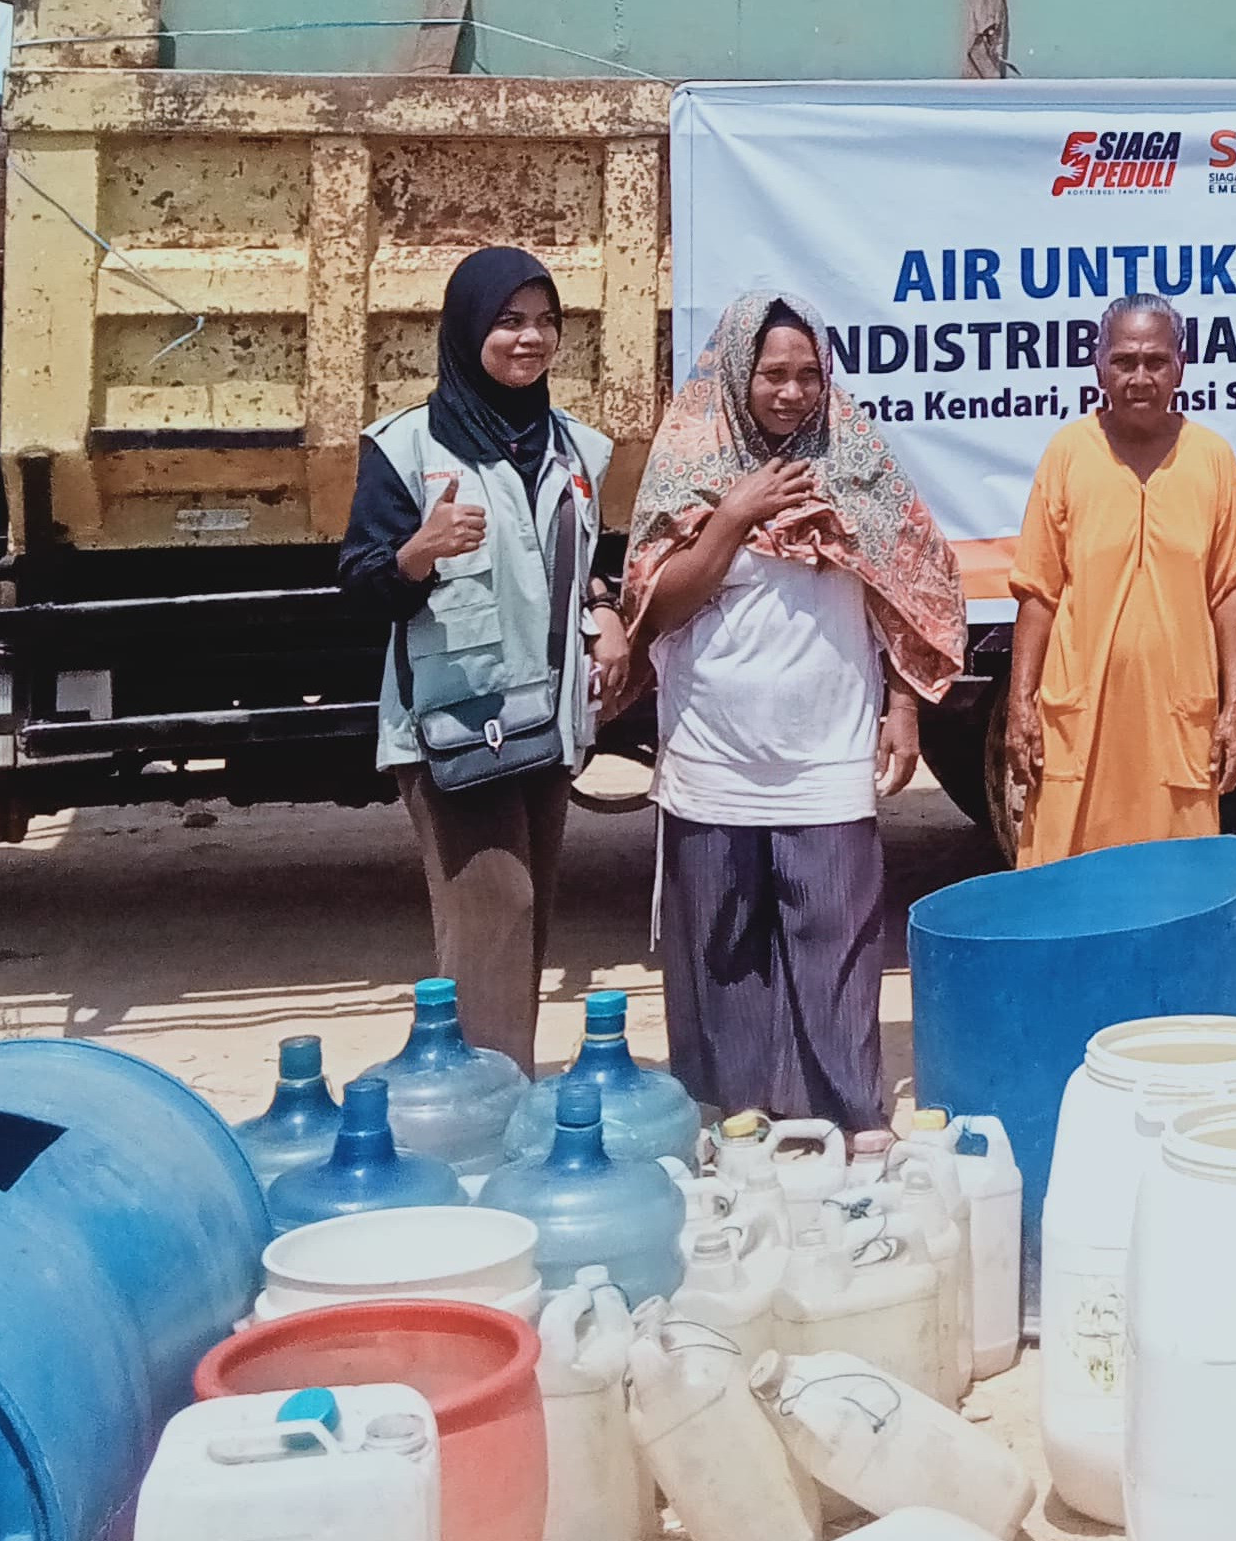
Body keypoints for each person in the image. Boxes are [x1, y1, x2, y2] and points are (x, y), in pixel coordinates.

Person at [617, 292, 966, 1132]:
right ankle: (737, 1124)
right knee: (723, 953)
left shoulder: (853, 468)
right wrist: (733, 518)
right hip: (713, 758)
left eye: (809, 373)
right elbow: (656, 608)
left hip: (827, 758)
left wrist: (903, 707)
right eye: (773, 373)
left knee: (838, 950)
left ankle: (850, 1121)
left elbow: (914, 587)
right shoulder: (689, 476)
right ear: (739, 375)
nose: (791, 391)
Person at [338, 246, 621, 1069]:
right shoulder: (406, 446)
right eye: (508, 322)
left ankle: (503, 1093)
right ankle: (484, 1116)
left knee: (525, 920)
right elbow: (360, 583)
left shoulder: (574, 447)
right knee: (494, 908)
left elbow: (571, 557)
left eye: (544, 322)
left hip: (546, 716)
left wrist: (606, 610)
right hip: (455, 722)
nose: (529, 340)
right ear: (467, 331)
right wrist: (416, 553)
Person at [1008, 294, 1236, 864]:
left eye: (1155, 361)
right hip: (1080, 724)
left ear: (1180, 366)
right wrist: (1020, 707)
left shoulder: (1212, 457)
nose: (1139, 377)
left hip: (1177, 723)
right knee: (1067, 894)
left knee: (1173, 891)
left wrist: (1235, 710)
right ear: (1099, 367)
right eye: (1124, 361)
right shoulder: (1068, 453)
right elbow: (1037, 593)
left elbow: (1228, 591)